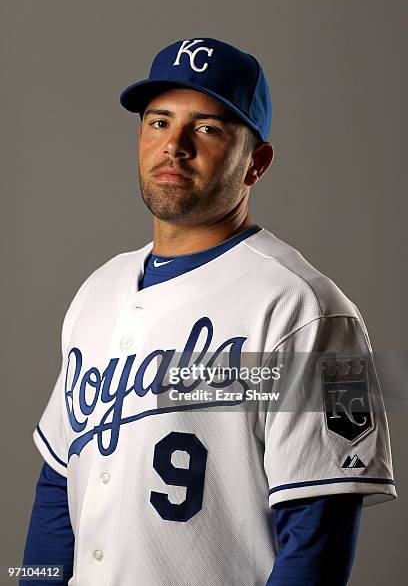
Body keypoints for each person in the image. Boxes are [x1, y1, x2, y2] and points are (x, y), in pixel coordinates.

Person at [21, 37, 396, 586]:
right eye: (158, 122)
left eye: (207, 129)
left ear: (256, 164)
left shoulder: (311, 312)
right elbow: (59, 484)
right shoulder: (98, 290)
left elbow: (315, 546)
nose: (174, 147)